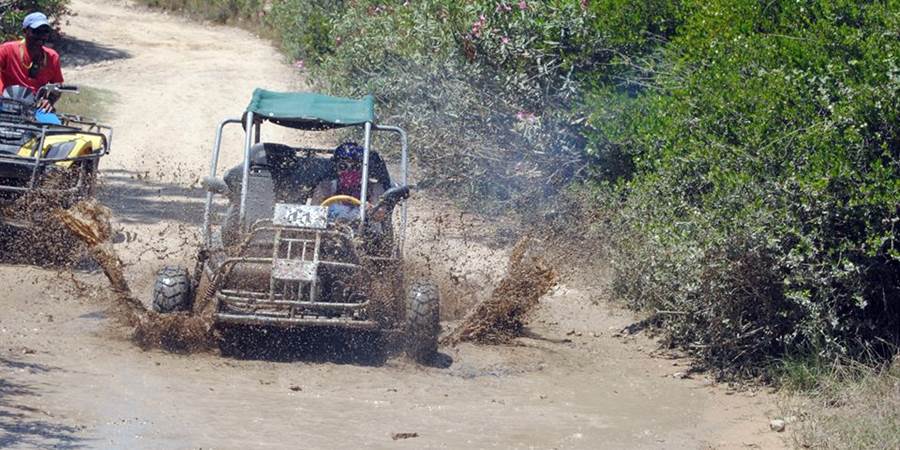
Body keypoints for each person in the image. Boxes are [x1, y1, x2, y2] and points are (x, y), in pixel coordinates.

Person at [0, 12, 64, 111]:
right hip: (5, 102)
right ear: (25, 31)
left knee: (53, 120)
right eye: (36, 31)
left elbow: (58, 85)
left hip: (35, 106)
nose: (41, 36)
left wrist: (49, 100)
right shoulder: (7, 50)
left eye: (45, 32)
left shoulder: (52, 57)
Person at [312, 142, 387, 221]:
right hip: (331, 227)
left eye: (356, 167)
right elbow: (313, 215)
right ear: (336, 168)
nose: (349, 171)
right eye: (343, 166)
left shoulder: (374, 189)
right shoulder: (326, 187)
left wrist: (371, 210)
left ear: (363, 168)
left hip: (364, 227)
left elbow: (380, 215)